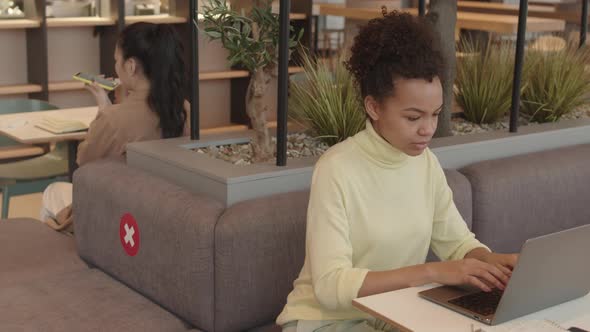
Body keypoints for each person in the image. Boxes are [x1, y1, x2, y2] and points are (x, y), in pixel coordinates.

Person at [276, 11, 518, 332]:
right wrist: (431, 272)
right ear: (374, 107)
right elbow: (329, 286)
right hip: (325, 322)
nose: (427, 130)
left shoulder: (425, 162)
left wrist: (494, 263)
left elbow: (457, 243)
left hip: (392, 317)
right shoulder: (337, 169)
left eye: (435, 114)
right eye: (413, 117)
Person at [40, 22, 189, 231]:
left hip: (116, 216)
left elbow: (84, 161)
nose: (115, 67)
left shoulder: (113, 119)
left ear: (131, 66)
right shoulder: (184, 110)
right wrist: (109, 107)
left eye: (116, 60)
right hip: (160, 213)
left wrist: (104, 111)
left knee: (53, 191)